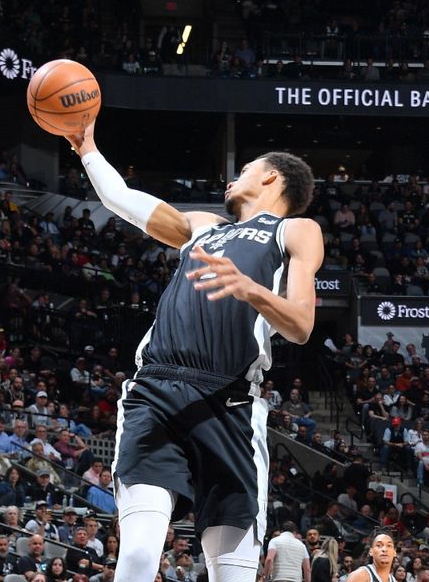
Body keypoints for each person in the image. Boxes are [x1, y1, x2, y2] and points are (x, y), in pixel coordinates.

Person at [66, 115, 322, 582]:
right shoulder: (203, 226)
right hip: (156, 390)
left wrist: (250, 289)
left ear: (271, 176)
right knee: (140, 556)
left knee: (234, 575)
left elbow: (302, 324)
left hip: (230, 403)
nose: (232, 177)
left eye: (245, 168)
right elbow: (123, 200)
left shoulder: (295, 231)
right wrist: (86, 149)